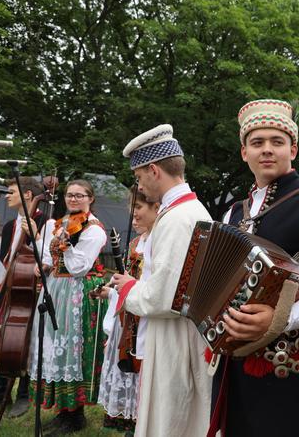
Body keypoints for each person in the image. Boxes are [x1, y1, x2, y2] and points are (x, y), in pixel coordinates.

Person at [208, 99, 299, 437]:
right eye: (257, 143)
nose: (267, 150)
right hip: (239, 364)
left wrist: (281, 318)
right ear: (244, 152)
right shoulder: (234, 212)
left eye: (277, 141)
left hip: (295, 368)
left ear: (294, 149)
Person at [111, 124, 212, 437]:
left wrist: (127, 287)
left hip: (176, 337)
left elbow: (164, 297)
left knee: (172, 419)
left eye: (139, 178)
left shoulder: (177, 219)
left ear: (154, 170)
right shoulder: (189, 210)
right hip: (181, 332)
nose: (140, 187)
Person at [27, 179, 108, 435]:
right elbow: (50, 258)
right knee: (55, 347)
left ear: (90, 198)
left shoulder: (93, 230)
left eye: (79, 195)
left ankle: (76, 415)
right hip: (57, 289)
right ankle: (62, 411)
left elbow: (79, 267)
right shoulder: (60, 224)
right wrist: (45, 264)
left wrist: (67, 245)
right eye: (70, 195)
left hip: (79, 292)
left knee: (74, 349)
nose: (73, 199)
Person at [0, 178, 44, 418]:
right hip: (9, 289)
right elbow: (4, 262)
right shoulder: (8, 227)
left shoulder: (45, 220)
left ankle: (24, 396)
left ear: (27, 194)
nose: (6, 195)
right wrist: (0, 285)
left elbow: (44, 256)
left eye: (10, 191)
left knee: (26, 343)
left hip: (33, 290)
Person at [97, 186, 159, 435]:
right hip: (127, 324)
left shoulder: (158, 243)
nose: (133, 216)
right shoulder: (136, 242)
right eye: (130, 209)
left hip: (146, 323)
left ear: (156, 208)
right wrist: (113, 292)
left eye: (138, 208)